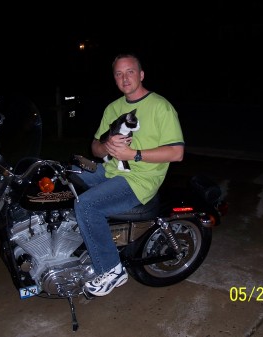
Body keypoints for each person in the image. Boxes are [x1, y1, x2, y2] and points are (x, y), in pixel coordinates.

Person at [74, 53, 185, 296]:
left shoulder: (160, 106)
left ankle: (112, 270)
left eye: (130, 71)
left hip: (140, 179)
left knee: (86, 205)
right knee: (63, 176)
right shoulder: (113, 108)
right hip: (110, 171)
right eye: (119, 73)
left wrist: (132, 153)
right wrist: (106, 147)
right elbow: (95, 146)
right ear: (114, 78)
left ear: (141, 74)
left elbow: (176, 153)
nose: (125, 78)